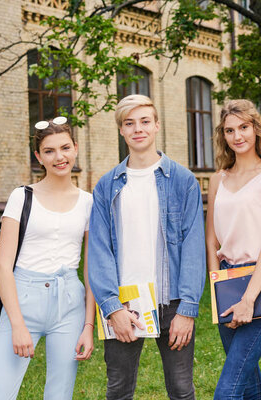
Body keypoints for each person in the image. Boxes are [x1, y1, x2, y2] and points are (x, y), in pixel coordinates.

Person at [88, 94, 206, 400]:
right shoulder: (106, 185)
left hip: (173, 302)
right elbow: (98, 250)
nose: (138, 129)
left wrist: (188, 310)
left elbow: (194, 247)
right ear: (121, 131)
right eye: (130, 123)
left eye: (144, 121)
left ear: (156, 126)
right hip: (124, 303)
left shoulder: (183, 181)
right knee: (118, 390)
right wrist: (112, 308)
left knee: (181, 390)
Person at [0, 117, 96, 399]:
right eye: (49, 151)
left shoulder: (88, 202)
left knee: (60, 393)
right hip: (24, 299)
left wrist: (88, 326)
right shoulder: (21, 197)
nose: (60, 157)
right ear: (38, 157)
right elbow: (3, 266)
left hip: (70, 304)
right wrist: (18, 325)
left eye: (65, 148)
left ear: (75, 149)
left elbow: (91, 267)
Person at [206, 99, 261, 399]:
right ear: (222, 135)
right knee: (246, 376)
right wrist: (216, 285)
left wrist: (249, 298)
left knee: (228, 387)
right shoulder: (218, 179)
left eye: (244, 127)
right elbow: (212, 240)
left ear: (256, 130)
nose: (237, 136)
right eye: (230, 130)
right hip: (226, 281)